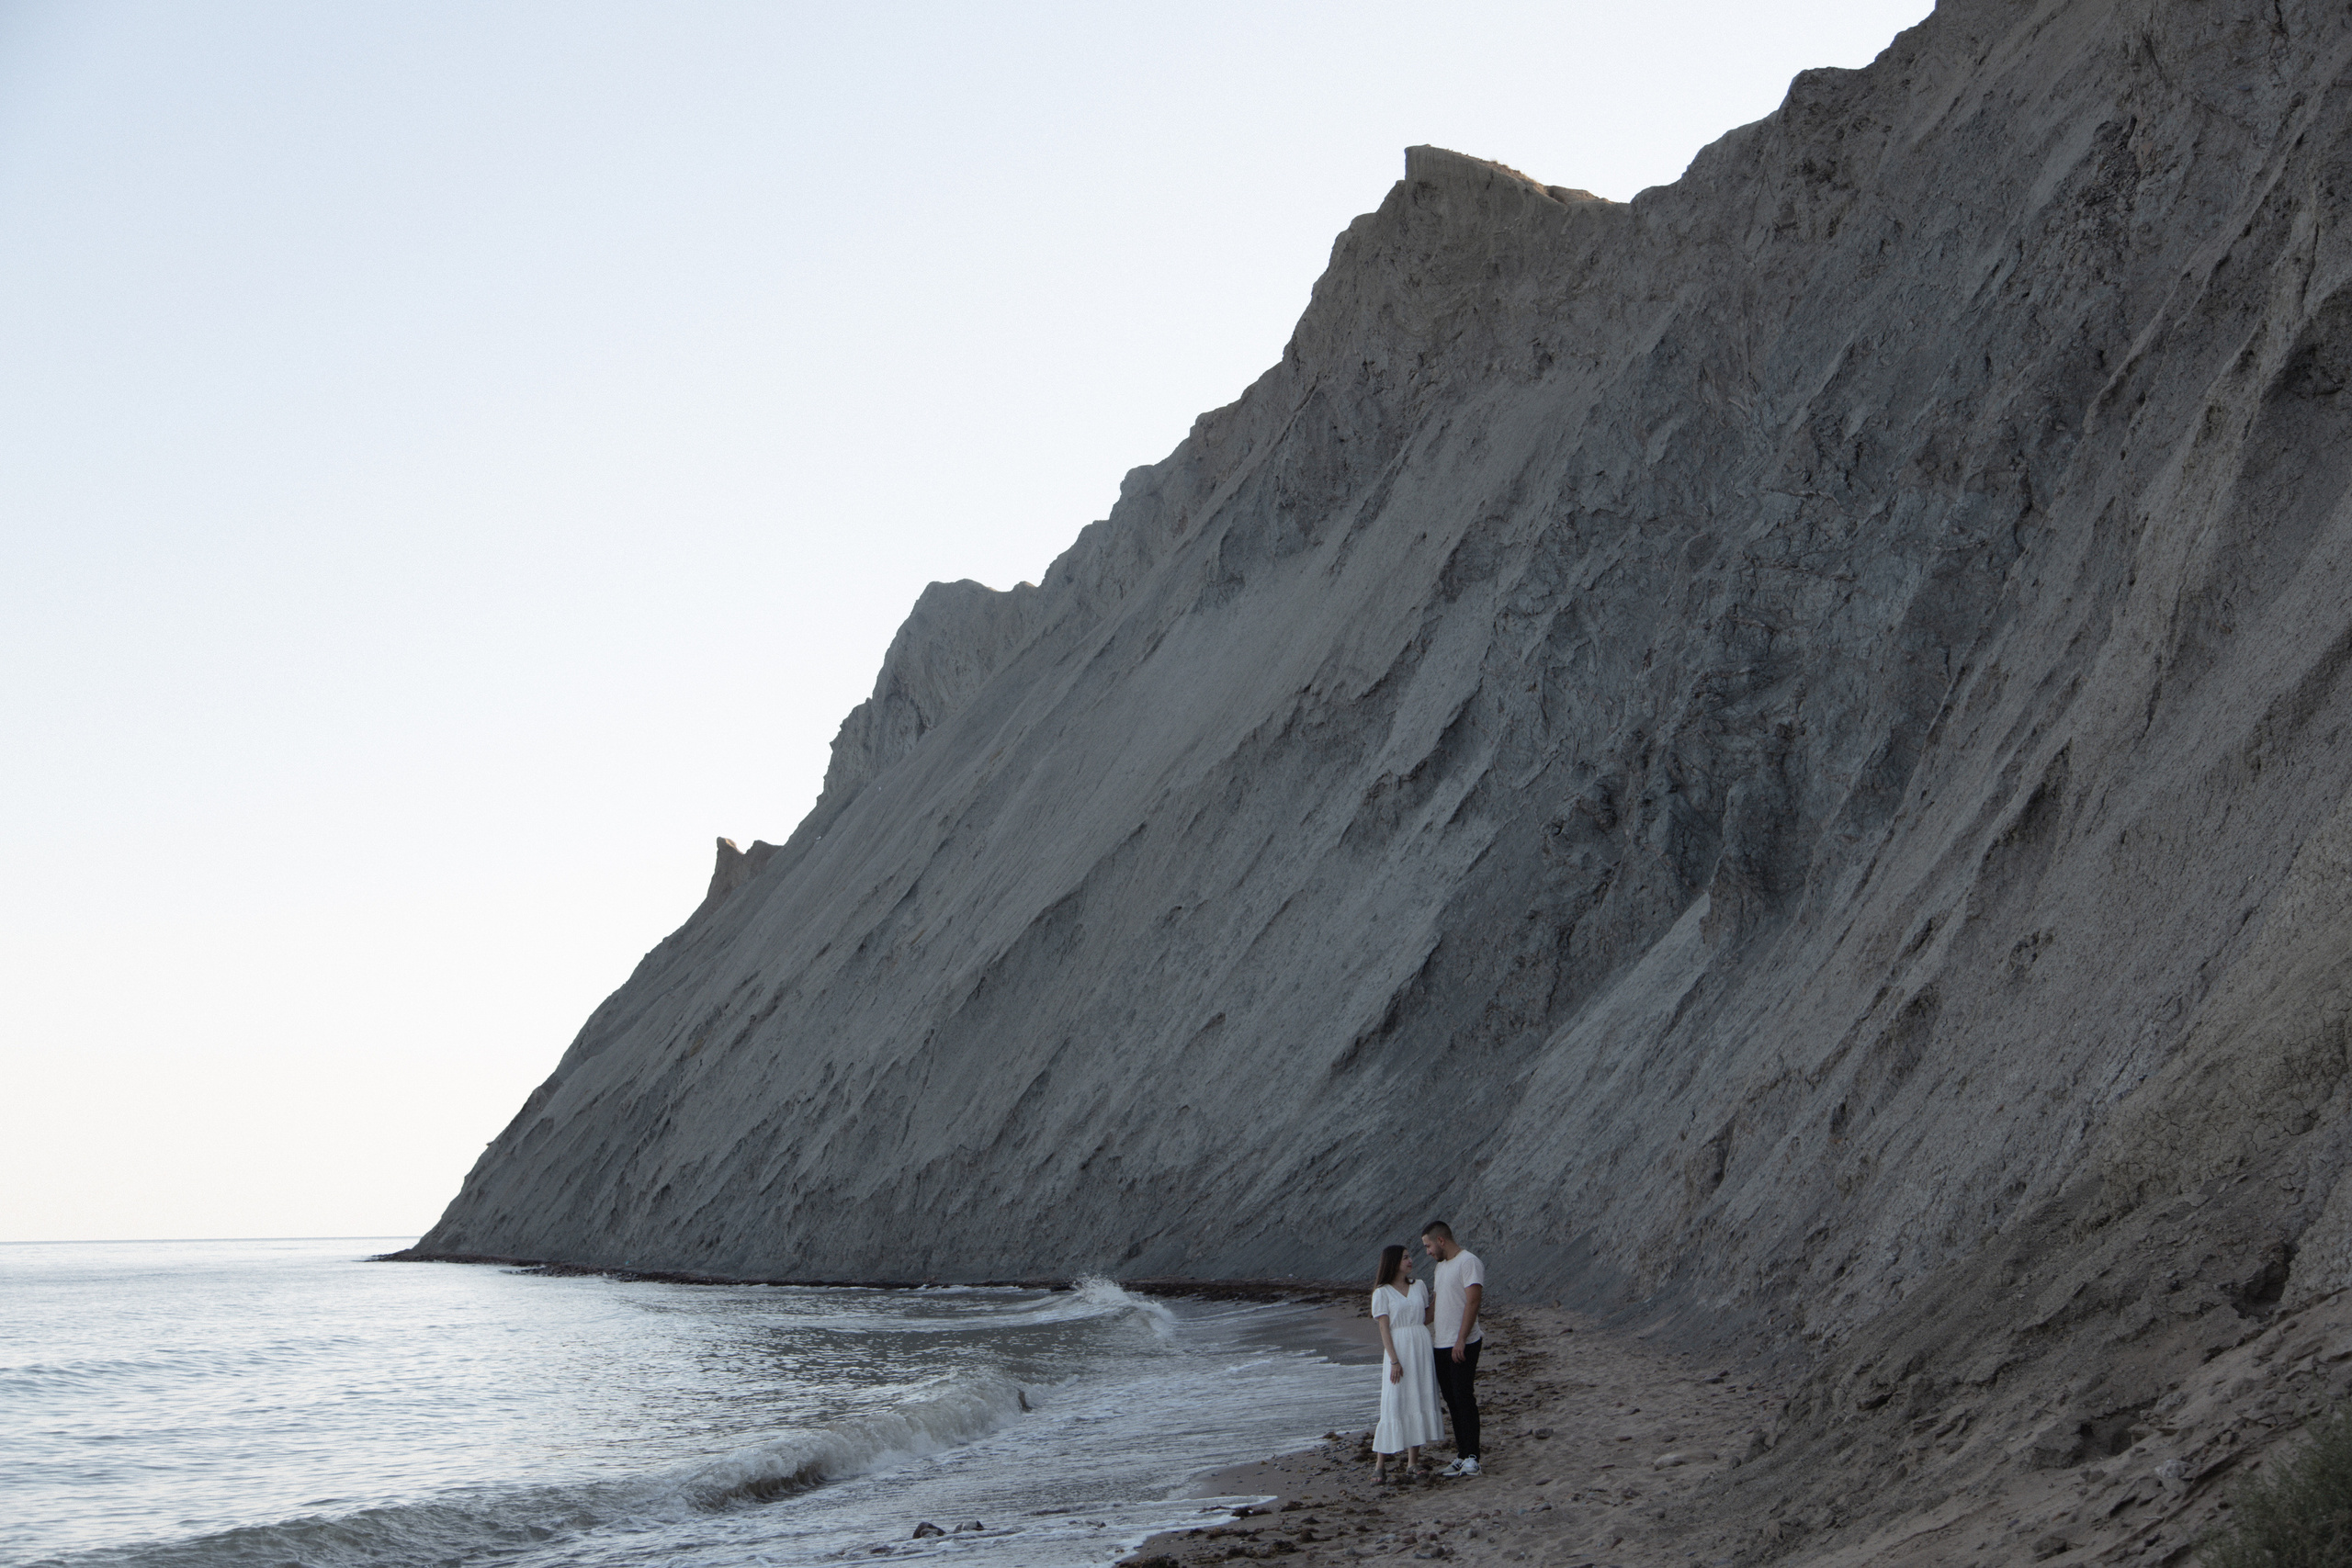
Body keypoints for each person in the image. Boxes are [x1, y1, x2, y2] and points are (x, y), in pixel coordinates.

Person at [1369, 1243, 1442, 1481]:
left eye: (1410, 1257)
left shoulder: (1419, 1286)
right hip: (1398, 1348)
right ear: (1393, 1262)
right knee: (1392, 1403)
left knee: (1417, 1399)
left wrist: (1440, 1296)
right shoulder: (1382, 1292)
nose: (1410, 1261)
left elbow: (1425, 1317)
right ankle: (1380, 1465)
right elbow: (1384, 1328)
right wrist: (1394, 1360)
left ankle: (1413, 1462)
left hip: (1420, 1346)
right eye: (1404, 1258)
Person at [1421, 1220, 1484, 1476]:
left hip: (1464, 1342)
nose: (1427, 1252)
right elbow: (1437, 1304)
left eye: (1428, 1246)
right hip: (1441, 1343)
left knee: (1463, 1396)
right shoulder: (1441, 1268)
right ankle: (1461, 1454)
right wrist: (1413, 1323)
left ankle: (1473, 1457)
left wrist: (1461, 1340)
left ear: (1441, 1241)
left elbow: (1473, 1302)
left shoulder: (1469, 1262)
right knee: (1451, 1400)